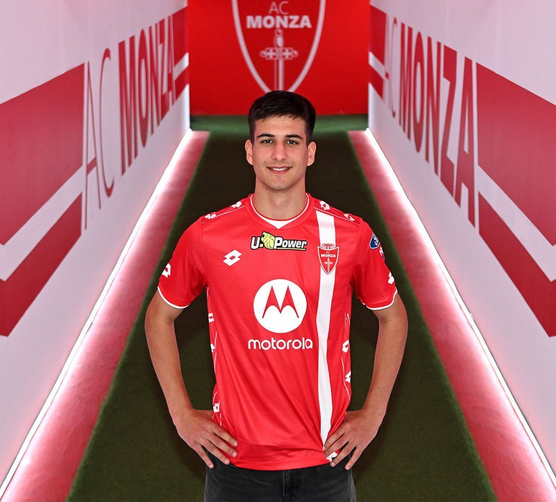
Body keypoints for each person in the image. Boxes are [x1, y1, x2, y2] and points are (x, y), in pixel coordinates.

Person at [145, 91, 408, 501]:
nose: (279, 154)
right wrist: (181, 414)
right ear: (250, 151)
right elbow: (158, 316)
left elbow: (393, 316)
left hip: (326, 461)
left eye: (292, 141)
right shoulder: (208, 236)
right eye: (267, 140)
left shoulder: (350, 235)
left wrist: (374, 414)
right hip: (235, 464)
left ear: (310, 153)